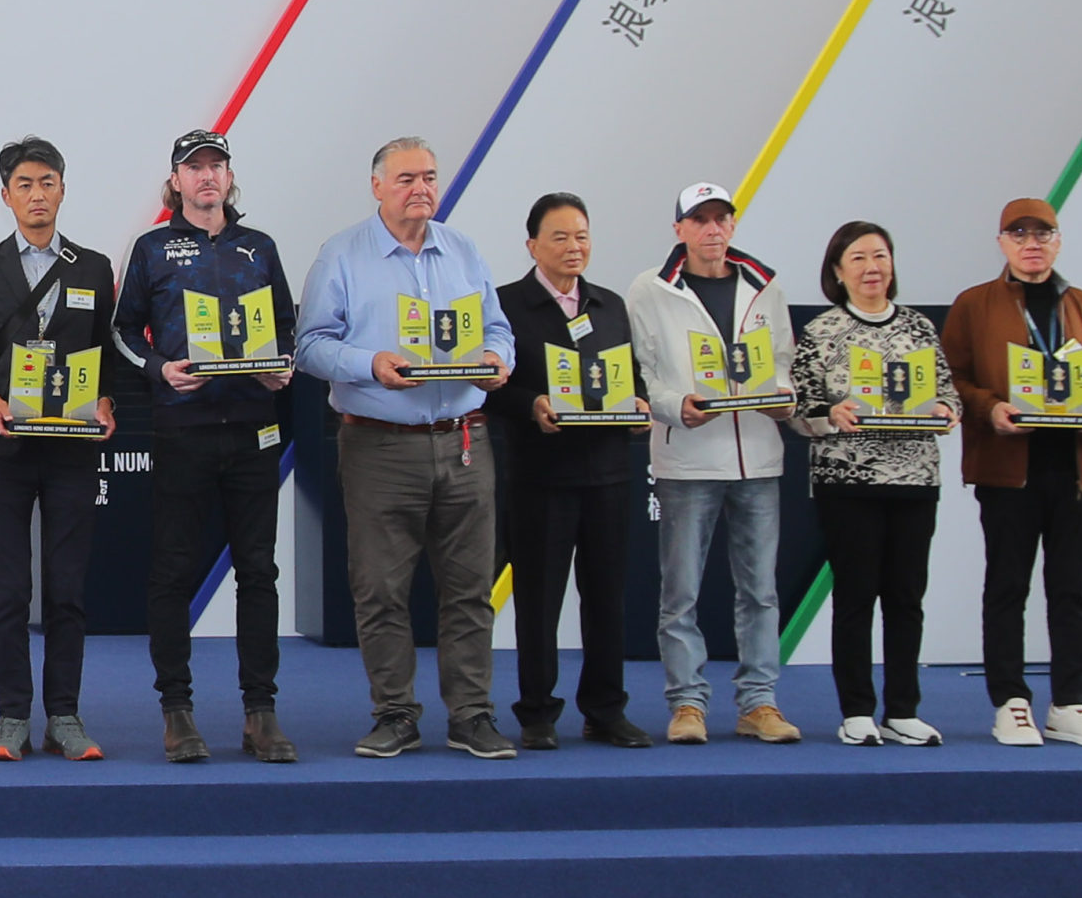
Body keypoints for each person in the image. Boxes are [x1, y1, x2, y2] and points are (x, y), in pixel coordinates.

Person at [298, 137, 514, 759]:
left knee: (470, 588)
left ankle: (472, 714)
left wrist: (499, 358)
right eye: (406, 179)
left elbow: (496, 326)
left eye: (429, 177)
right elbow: (310, 346)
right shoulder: (342, 254)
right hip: (379, 445)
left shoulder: (463, 249)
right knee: (380, 590)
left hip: (465, 439)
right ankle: (395, 713)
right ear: (376, 186)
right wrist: (370, 363)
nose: (420, 188)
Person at [114, 130, 297, 764]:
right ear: (175, 181)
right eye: (195, 168)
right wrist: (160, 369)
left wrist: (282, 369)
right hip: (183, 431)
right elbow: (121, 334)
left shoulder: (260, 248)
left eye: (216, 166)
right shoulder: (152, 248)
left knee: (259, 572)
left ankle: (260, 711)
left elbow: (287, 330)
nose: (207, 177)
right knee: (172, 571)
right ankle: (177, 710)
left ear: (228, 177)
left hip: (253, 431)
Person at [0, 139, 124, 762]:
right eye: (24, 184)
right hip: (7, 453)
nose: (37, 194)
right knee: (10, 589)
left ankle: (66, 716)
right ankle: (12, 716)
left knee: (68, 587)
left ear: (63, 189)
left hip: (72, 450)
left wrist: (104, 401)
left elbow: (109, 352)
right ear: (6, 195)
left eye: (47, 182)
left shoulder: (94, 267)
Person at [944, 198, 1082, 749]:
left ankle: (1071, 704)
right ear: (1001, 242)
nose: (1032, 243)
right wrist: (989, 408)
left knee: (1073, 590)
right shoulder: (975, 304)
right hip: (1009, 471)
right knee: (1006, 587)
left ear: (1058, 240)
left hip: (1076, 470)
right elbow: (950, 377)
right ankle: (1011, 702)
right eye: (1019, 233)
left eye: (1043, 233)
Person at [629, 183, 800, 745]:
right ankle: (687, 705)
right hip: (688, 460)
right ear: (679, 229)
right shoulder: (649, 290)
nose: (712, 230)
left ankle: (759, 703)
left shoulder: (765, 286)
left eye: (721, 218)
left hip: (758, 458)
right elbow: (642, 375)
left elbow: (782, 363)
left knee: (761, 592)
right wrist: (674, 407)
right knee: (681, 592)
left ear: (732, 225)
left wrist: (784, 395)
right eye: (699, 220)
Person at [493, 193, 652, 751]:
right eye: (559, 237)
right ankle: (536, 710)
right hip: (539, 475)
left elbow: (630, 378)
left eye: (581, 236)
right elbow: (490, 389)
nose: (573, 247)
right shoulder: (506, 305)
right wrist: (531, 403)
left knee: (607, 596)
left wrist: (638, 406)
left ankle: (606, 710)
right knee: (538, 599)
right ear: (532, 244)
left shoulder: (609, 305)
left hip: (608, 472)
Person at [794, 219, 954, 747]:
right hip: (847, 480)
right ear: (838, 271)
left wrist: (946, 409)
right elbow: (797, 409)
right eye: (858, 258)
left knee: (907, 596)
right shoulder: (820, 332)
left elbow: (949, 393)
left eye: (880, 256)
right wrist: (829, 413)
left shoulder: (919, 329)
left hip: (914, 477)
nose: (871, 267)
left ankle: (903, 709)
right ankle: (857, 710)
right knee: (857, 595)